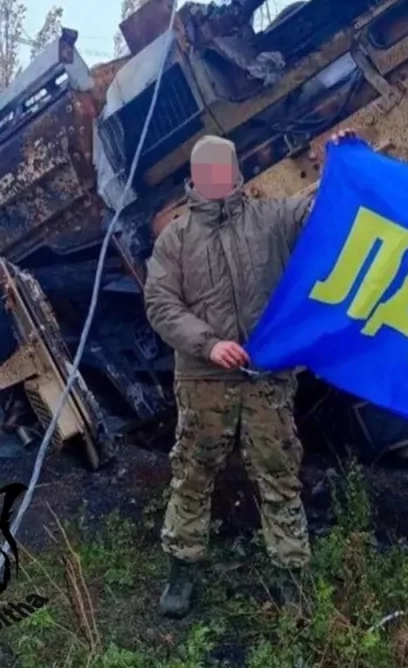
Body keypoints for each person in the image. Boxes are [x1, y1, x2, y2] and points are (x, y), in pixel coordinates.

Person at [144, 130, 354, 617]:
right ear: (195, 180)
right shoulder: (175, 239)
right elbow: (160, 303)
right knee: (193, 475)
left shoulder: (271, 218)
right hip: (203, 381)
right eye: (208, 172)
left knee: (279, 477)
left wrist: (340, 162)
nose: (219, 179)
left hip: (266, 380)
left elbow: (318, 212)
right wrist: (208, 344)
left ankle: (291, 577)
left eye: (225, 169)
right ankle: (182, 570)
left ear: (238, 174)